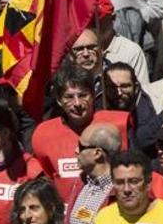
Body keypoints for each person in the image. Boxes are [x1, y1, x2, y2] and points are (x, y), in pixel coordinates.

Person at [31, 69, 128, 197]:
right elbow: (45, 181)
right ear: (59, 100)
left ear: (93, 95)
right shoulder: (43, 134)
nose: (77, 103)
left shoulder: (118, 124)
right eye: (69, 97)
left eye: (83, 95)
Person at [64, 122, 121, 224]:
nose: (76, 150)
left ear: (97, 153)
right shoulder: (80, 183)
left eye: (81, 146)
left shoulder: (121, 191)